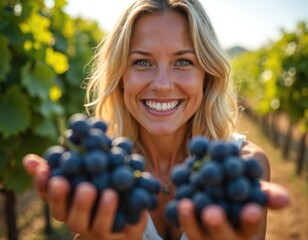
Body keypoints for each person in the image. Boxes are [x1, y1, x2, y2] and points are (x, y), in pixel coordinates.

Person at [23, 0, 290, 239]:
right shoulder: (100, 172)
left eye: (183, 62)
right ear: (120, 77)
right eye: (141, 62)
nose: (162, 85)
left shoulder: (241, 168)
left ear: (207, 76)